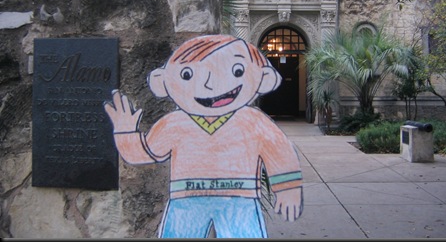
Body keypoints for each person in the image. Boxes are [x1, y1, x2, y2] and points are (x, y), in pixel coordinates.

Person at [104, 34, 303, 238]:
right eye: (188, 74)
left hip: (239, 199)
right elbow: (145, 154)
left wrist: (288, 186)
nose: (210, 83)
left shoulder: (252, 121)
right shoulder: (174, 123)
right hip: (186, 200)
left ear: (264, 77)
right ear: (162, 81)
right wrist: (125, 132)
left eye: (237, 71)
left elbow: (279, 151)